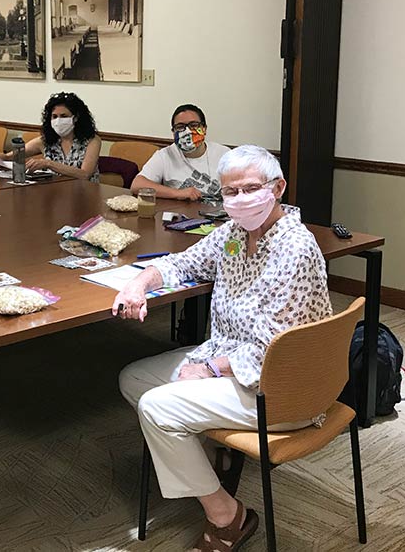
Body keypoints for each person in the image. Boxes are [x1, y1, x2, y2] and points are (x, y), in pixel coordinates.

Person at [113, 145, 332, 550]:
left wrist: (209, 369)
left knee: (158, 407)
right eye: (231, 192)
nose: (240, 199)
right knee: (135, 380)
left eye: (251, 188)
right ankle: (211, 458)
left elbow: (275, 347)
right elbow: (183, 263)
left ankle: (228, 516)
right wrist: (138, 284)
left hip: (281, 386)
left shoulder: (294, 248)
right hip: (232, 362)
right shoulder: (235, 234)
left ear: (278, 188)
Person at [0, 92, 101, 182]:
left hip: (84, 194)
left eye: (64, 116)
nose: (58, 121)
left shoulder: (92, 141)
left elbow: (85, 174)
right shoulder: (45, 141)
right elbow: (11, 156)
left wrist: (48, 163)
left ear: (76, 118)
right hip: (53, 193)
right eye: (54, 116)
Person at [130, 104, 228, 200]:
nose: (187, 131)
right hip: (181, 210)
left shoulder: (224, 154)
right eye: (180, 127)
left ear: (204, 128)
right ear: (173, 132)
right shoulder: (165, 155)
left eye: (193, 125)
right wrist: (178, 193)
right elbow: (137, 185)